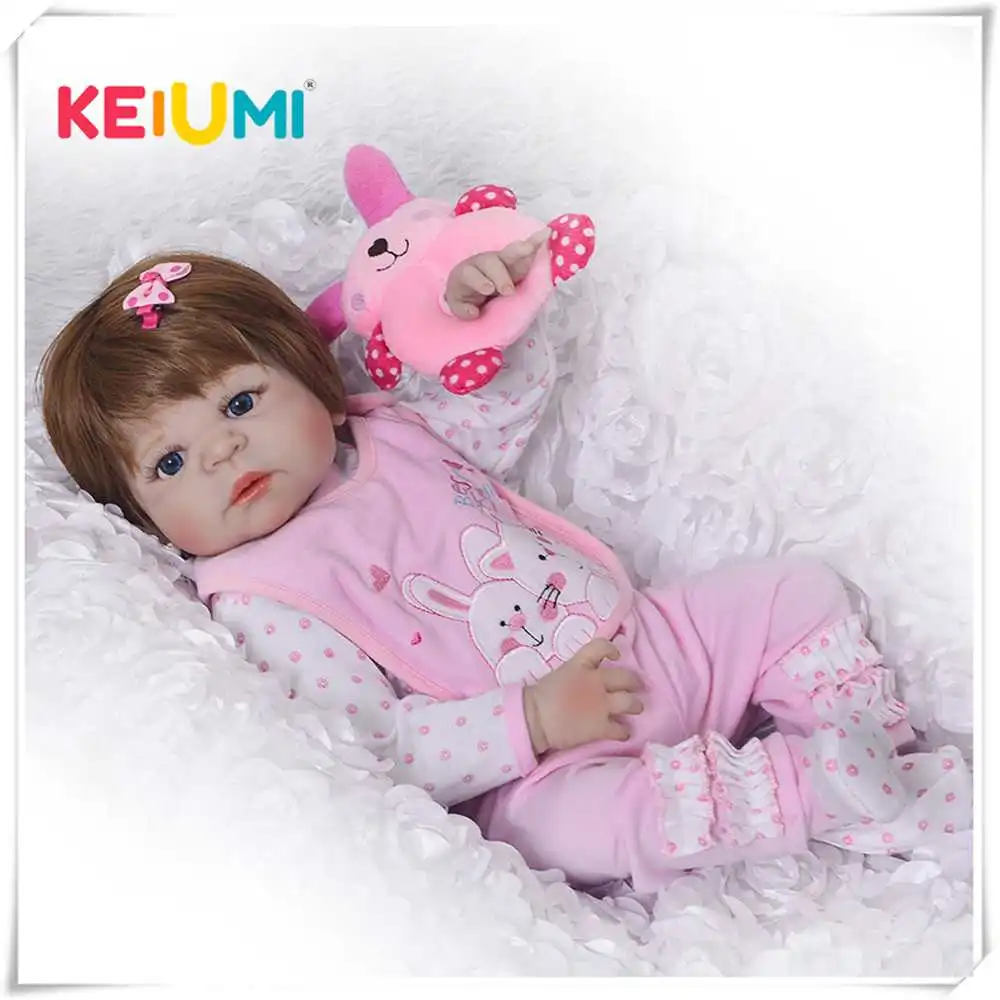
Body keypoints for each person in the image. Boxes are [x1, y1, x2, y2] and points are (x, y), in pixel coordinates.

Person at [38, 243, 971, 895]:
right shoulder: (262, 596)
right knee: (581, 832)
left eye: (240, 402)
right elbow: (375, 747)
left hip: (643, 642)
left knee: (792, 590)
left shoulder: (388, 436)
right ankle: (815, 791)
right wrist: (530, 719)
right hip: (540, 768)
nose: (220, 453)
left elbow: (498, 415)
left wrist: (476, 321)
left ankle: (858, 739)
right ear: (142, 518)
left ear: (311, 378)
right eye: (169, 462)